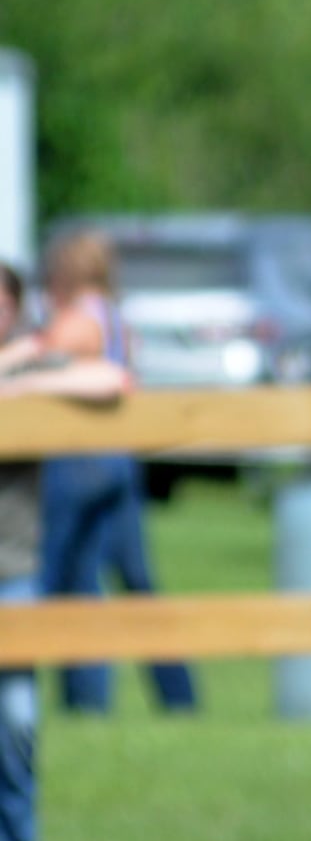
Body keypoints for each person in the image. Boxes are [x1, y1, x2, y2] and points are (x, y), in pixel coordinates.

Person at [0, 260, 134, 841]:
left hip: (12, 565)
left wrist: (23, 384)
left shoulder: (32, 361)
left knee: (18, 716)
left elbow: (112, 380)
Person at [33, 230, 196, 715]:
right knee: (137, 585)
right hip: (118, 464)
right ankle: (177, 697)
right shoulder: (115, 316)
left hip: (78, 463)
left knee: (65, 582)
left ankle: (86, 698)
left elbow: (42, 359)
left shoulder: (78, 320)